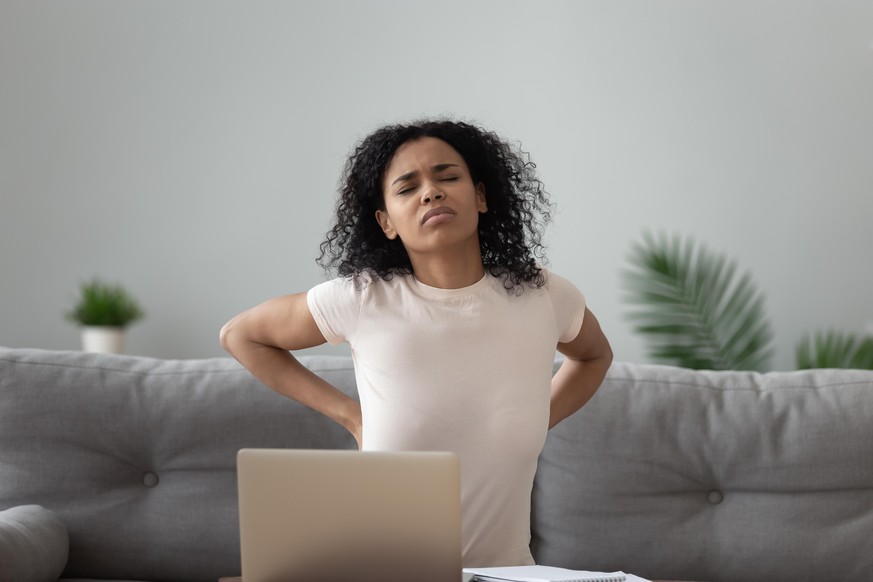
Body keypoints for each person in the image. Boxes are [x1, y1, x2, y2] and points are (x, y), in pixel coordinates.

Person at [220, 118, 613, 568]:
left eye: (448, 177)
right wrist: (350, 416)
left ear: (481, 197)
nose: (431, 192)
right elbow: (240, 335)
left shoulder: (543, 295)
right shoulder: (363, 298)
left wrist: (539, 415)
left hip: (508, 575)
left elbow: (595, 355)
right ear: (386, 222)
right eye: (408, 188)